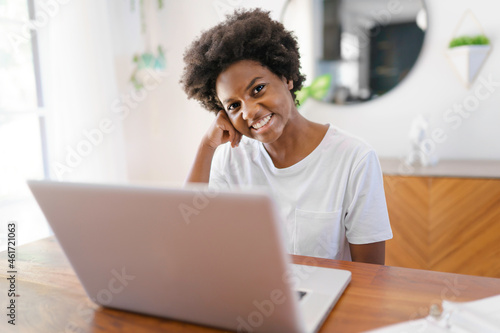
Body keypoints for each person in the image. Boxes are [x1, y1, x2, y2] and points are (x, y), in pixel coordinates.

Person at [180, 8, 392, 264]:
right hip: (249, 296)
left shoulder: (354, 159)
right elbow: (188, 233)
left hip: (326, 299)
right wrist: (207, 146)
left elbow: (371, 275)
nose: (249, 112)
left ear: (287, 77)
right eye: (233, 106)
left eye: (258, 89)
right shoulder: (230, 160)